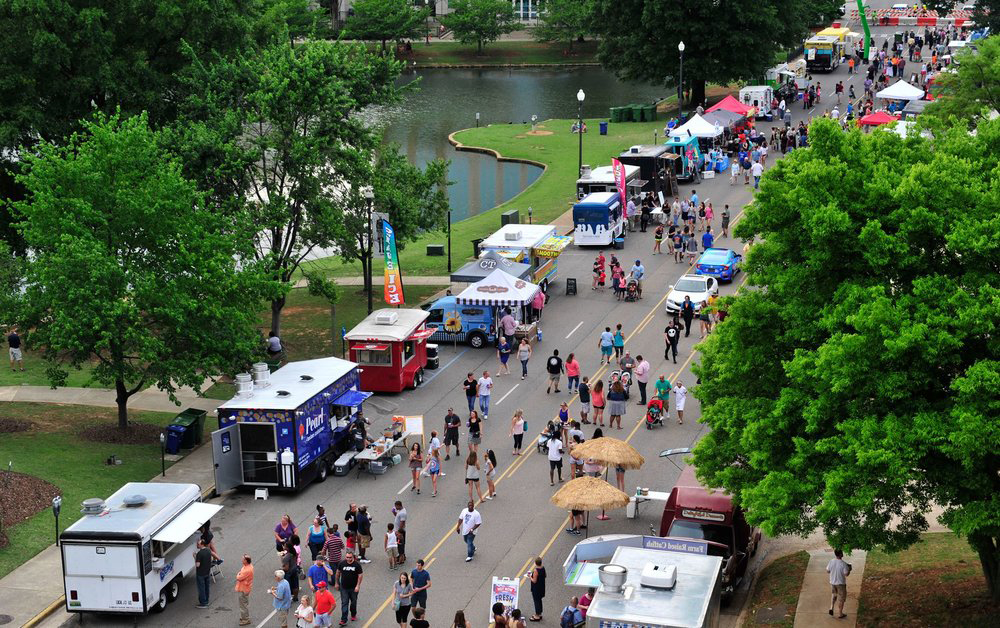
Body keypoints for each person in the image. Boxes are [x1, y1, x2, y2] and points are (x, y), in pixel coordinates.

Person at [336, 551, 364, 625]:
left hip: (353, 588)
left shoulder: (357, 565)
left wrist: (358, 586)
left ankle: (353, 614)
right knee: (344, 603)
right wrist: (336, 583)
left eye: (350, 557)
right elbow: (338, 573)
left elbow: (360, 576)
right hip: (344, 588)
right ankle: (343, 619)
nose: (348, 559)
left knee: (353, 603)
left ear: (353, 557)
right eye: (347, 557)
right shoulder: (342, 563)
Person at [827, 549, 853, 619]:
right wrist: (850, 569)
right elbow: (846, 574)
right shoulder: (843, 564)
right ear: (841, 554)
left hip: (832, 582)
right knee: (841, 599)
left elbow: (828, 571)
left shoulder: (831, 561)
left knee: (834, 594)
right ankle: (840, 614)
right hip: (841, 584)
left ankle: (831, 607)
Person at [235, 554, 254, 625]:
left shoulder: (247, 570)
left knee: (243, 605)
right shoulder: (249, 566)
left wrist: (238, 574)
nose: (241, 560)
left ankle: (246, 619)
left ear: (246, 561)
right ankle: (244, 617)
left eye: (243, 559)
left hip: (243, 589)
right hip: (245, 588)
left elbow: (238, 577)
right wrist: (239, 574)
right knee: (244, 603)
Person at [194, 538, 212, 608]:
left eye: (198, 544)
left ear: (202, 544)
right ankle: (206, 600)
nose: (197, 545)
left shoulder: (199, 553)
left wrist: (195, 557)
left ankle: (203, 603)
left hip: (200, 573)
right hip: (207, 572)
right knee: (207, 587)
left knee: (201, 588)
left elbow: (197, 565)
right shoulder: (208, 550)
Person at [528, 557, 546, 622]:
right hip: (541, 587)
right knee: (539, 600)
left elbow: (534, 581)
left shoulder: (536, 570)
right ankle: (540, 613)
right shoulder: (543, 568)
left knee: (536, 601)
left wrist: (530, 577)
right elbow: (545, 576)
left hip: (536, 588)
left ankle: (537, 615)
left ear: (535, 563)